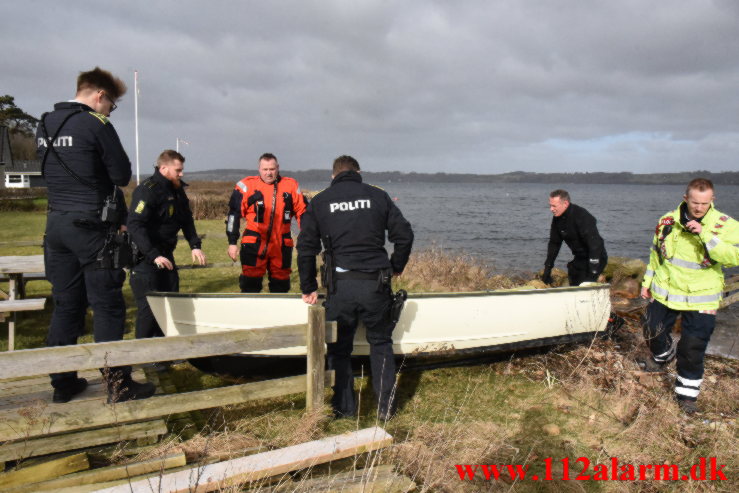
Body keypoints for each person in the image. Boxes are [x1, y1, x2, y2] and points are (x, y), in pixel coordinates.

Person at [36, 67, 154, 403]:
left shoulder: (45, 123)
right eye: (111, 105)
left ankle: (63, 382)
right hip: (90, 227)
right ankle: (118, 385)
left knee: (66, 305)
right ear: (99, 96)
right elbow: (120, 174)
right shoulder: (95, 123)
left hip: (55, 225)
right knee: (107, 306)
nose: (109, 111)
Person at [297, 155, 414, 420]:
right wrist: (397, 265)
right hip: (376, 284)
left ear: (333, 175)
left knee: (340, 349)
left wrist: (308, 286)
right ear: (358, 172)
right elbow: (404, 236)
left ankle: (344, 409)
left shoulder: (320, 201)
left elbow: (305, 248)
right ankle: (386, 409)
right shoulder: (378, 196)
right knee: (381, 342)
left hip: (341, 287)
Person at [640, 178, 738, 414]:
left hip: (702, 296)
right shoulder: (667, 220)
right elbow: (656, 254)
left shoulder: (725, 225)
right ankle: (663, 356)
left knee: (692, 347)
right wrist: (647, 282)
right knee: (650, 327)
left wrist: (706, 235)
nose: (699, 208)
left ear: (712, 200)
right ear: (686, 199)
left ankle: (686, 396)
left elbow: (735, 257)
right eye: (695, 202)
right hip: (667, 289)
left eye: (704, 204)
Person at [127, 150, 206, 341]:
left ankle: (164, 351)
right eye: (178, 170)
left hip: (165, 256)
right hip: (146, 259)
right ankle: (144, 355)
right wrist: (153, 255)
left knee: (171, 302)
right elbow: (135, 225)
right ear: (163, 168)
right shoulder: (147, 190)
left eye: (182, 170)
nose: (181, 174)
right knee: (150, 308)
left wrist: (194, 245)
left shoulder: (176, 189)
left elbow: (186, 219)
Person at [226, 153, 307, 292]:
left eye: (272, 169)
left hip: (281, 244)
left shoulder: (291, 185)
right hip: (254, 243)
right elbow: (233, 214)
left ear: (278, 168)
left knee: (281, 286)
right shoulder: (246, 186)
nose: (268, 173)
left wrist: (307, 237)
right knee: (250, 285)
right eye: (265, 169)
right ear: (259, 169)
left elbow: (304, 213)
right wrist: (232, 242)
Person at [542, 189, 608, 286]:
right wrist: (547, 270)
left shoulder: (582, 216)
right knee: (573, 278)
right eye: (550, 205)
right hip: (579, 257)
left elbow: (595, 245)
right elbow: (554, 244)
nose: (551, 209)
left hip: (596, 256)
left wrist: (592, 275)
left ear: (565, 203)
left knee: (585, 283)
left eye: (554, 206)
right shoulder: (557, 218)